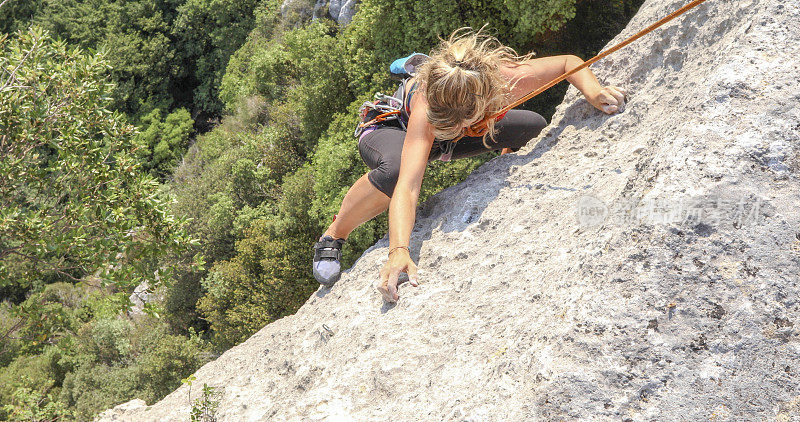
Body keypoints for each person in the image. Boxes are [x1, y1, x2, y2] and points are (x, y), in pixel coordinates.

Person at [312, 28, 626, 302]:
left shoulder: (503, 79)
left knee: (532, 124)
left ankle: (473, 143)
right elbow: (408, 187)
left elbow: (569, 63)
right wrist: (399, 252)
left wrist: (593, 91)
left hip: (451, 134)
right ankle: (333, 235)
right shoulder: (426, 106)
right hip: (393, 128)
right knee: (395, 172)